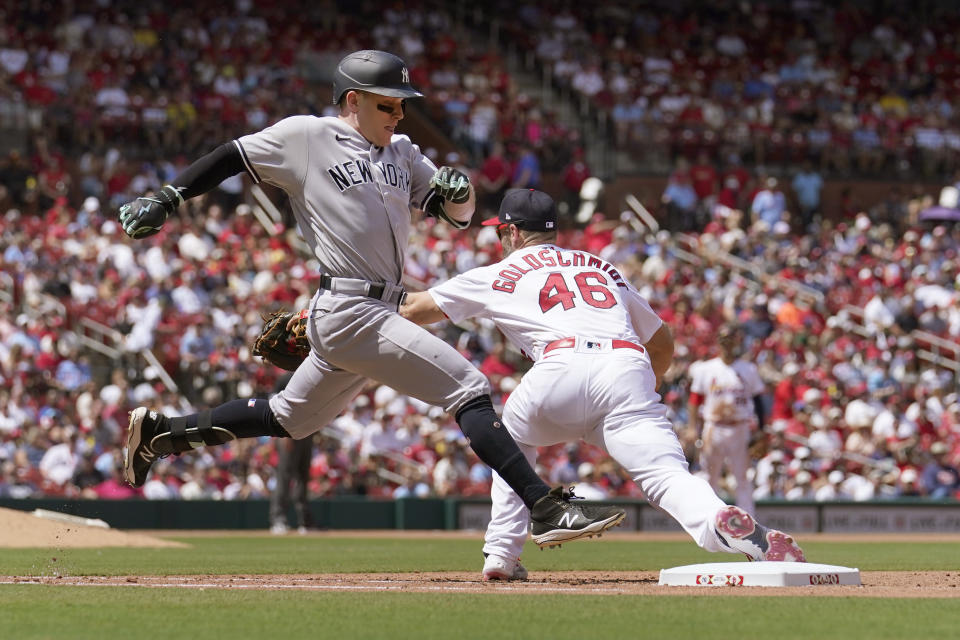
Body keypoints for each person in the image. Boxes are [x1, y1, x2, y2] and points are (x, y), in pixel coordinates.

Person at [116, 50, 624, 546]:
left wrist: (460, 189)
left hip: (379, 309)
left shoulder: (403, 151)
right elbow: (232, 155)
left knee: (290, 418)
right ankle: (544, 506)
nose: (400, 113)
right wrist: (167, 197)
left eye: (403, 103)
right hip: (349, 307)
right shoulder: (307, 137)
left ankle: (163, 434)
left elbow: (460, 216)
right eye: (388, 103)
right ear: (353, 100)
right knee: (468, 385)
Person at [400, 189, 805, 581]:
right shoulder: (600, 266)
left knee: (508, 441)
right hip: (625, 366)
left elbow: (415, 309)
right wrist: (642, 392)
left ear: (513, 233)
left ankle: (503, 555)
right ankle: (716, 520)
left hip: (558, 369)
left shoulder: (500, 272)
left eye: (500, 232)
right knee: (666, 474)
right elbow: (662, 343)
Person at [687, 324, 766, 516]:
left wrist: (762, 429)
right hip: (713, 427)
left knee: (742, 477)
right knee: (709, 475)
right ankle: (707, 518)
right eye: (723, 339)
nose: (727, 343)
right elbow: (695, 399)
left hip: (740, 427)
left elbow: (758, 401)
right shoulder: (706, 369)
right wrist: (691, 427)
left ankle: (748, 520)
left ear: (737, 340)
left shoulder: (748, 369)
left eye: (730, 338)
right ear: (718, 342)